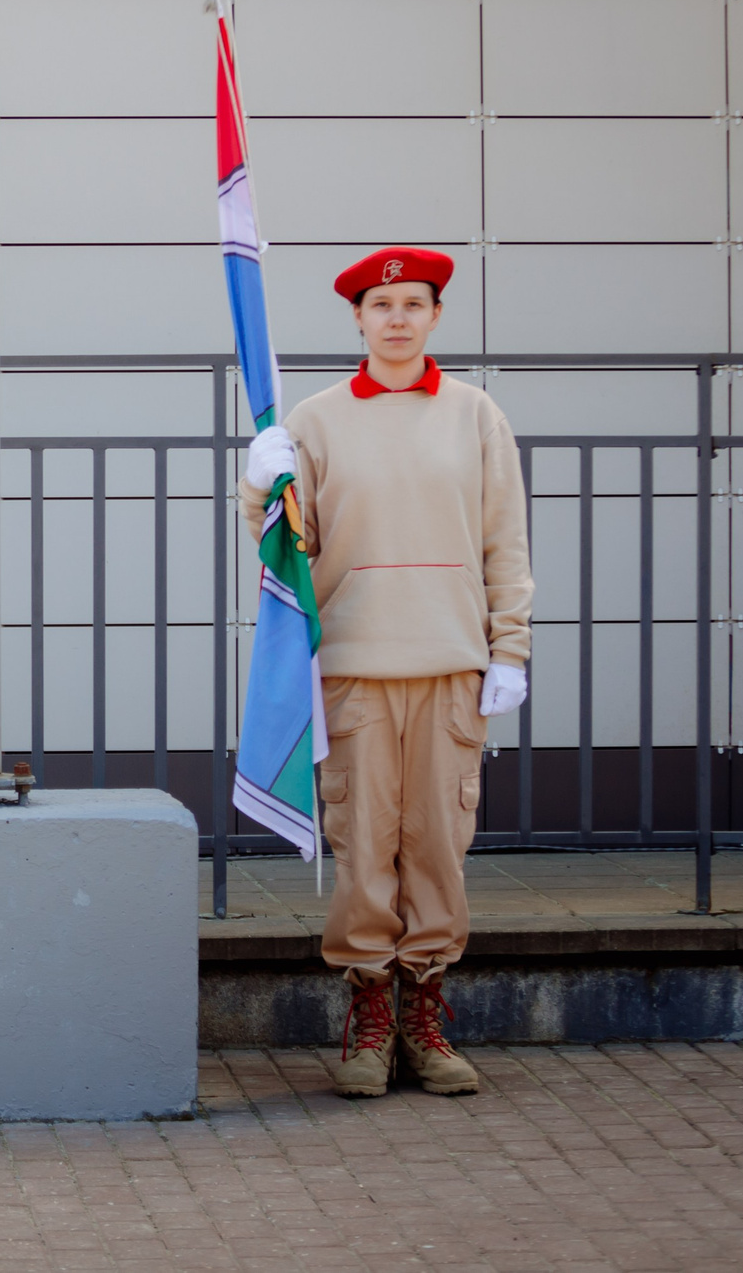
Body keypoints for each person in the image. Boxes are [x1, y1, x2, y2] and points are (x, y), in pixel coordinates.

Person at [242, 247, 531, 1099]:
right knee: (364, 846)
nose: (397, 318)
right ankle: (369, 1020)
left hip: (449, 665)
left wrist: (509, 647)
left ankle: (425, 1022)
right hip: (355, 666)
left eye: (413, 303)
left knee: (438, 848)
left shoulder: (476, 415)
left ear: (435, 315)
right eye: (381, 304)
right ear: (359, 319)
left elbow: (504, 542)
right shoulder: (317, 419)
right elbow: (290, 546)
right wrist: (257, 488)